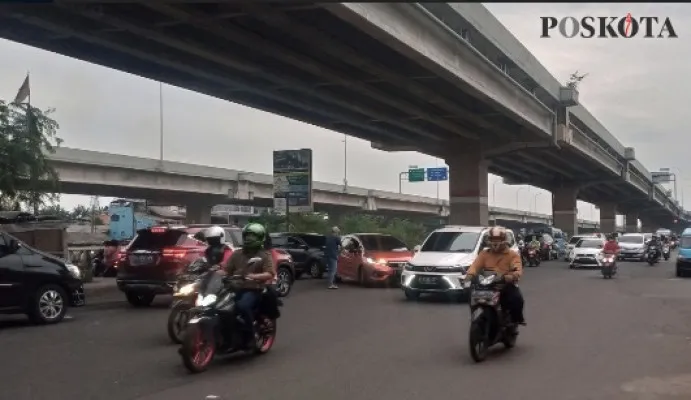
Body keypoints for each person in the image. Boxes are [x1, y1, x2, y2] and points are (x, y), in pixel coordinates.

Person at [224, 223, 275, 348]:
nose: (249, 238)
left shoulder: (264, 255)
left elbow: (269, 273)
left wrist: (253, 276)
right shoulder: (237, 254)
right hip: (235, 287)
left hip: (254, 289)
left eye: (253, 236)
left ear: (260, 237)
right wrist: (212, 272)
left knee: (242, 306)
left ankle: (250, 335)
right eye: (247, 235)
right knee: (217, 306)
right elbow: (226, 270)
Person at [465, 226, 526, 325]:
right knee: (469, 291)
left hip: (504, 284)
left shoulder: (512, 255)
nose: (495, 242)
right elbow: (475, 266)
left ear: (504, 240)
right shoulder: (484, 253)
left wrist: (512, 275)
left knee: (517, 299)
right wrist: (469, 275)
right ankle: (473, 314)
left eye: (498, 239)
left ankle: (516, 319)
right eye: (493, 239)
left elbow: (517, 268)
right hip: (486, 283)